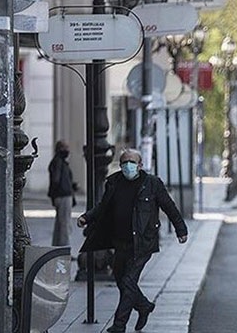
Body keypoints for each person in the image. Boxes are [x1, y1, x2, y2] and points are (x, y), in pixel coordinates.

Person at [77, 149, 188, 333]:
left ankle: (119, 325)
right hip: (120, 241)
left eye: (132, 162)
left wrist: (180, 229)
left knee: (128, 280)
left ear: (140, 165)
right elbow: (103, 206)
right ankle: (144, 306)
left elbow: (169, 207)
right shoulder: (113, 183)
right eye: (124, 162)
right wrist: (86, 217)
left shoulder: (152, 184)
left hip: (143, 242)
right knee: (121, 280)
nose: (128, 165)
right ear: (120, 166)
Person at [47, 139, 75, 247]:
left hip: (61, 195)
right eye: (65, 148)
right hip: (63, 195)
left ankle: (57, 246)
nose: (68, 150)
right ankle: (64, 248)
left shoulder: (58, 162)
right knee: (64, 225)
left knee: (60, 224)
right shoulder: (59, 162)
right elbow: (56, 180)